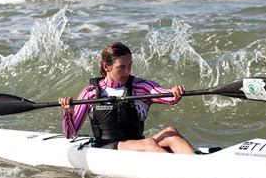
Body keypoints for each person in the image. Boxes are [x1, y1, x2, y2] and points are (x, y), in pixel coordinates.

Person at [58, 42, 195, 154]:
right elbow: (70, 134)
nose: (127, 72)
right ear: (107, 66)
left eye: (129, 65)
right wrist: (68, 113)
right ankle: (182, 172)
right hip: (108, 148)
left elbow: (166, 96)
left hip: (138, 144)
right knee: (148, 143)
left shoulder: (139, 87)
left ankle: (196, 165)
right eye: (121, 67)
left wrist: (175, 92)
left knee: (171, 133)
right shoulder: (91, 92)